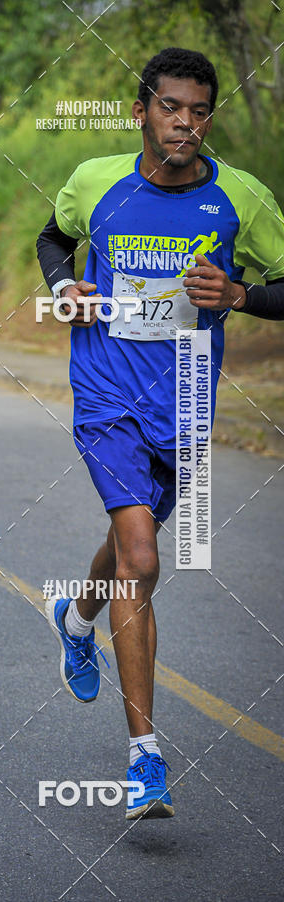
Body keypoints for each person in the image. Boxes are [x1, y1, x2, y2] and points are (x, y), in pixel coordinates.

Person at [36, 47, 284, 819]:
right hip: (105, 390)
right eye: (171, 107)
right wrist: (64, 286)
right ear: (140, 111)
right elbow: (53, 239)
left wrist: (240, 294)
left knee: (128, 542)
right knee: (141, 556)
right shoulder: (96, 182)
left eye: (200, 111)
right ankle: (145, 758)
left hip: (185, 395)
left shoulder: (241, 197)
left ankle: (76, 616)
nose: (185, 123)